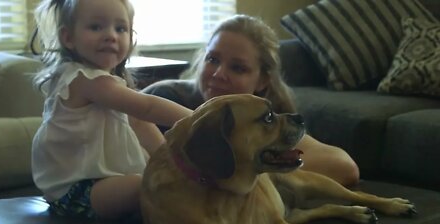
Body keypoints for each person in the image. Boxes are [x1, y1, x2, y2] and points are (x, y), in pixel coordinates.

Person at [142, 14, 360, 187]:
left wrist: (254, 167)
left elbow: (344, 167)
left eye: (237, 68)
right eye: (212, 59)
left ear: (263, 81)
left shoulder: (263, 118)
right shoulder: (164, 97)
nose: (218, 74)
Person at [30, 0, 192, 219]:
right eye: (96, 27)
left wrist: (173, 164)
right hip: (75, 192)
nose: (111, 35)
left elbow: (139, 122)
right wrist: (199, 117)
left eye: (120, 28)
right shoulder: (82, 79)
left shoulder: (106, 82)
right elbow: (147, 107)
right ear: (68, 37)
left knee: (168, 179)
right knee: (149, 185)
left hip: (103, 181)